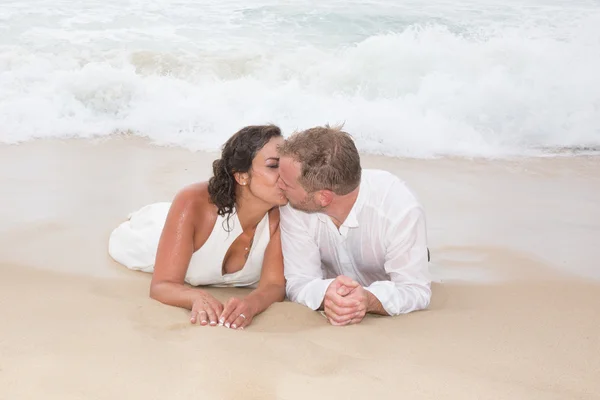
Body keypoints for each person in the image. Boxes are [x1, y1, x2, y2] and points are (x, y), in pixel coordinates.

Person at [108, 125, 288, 329]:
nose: (286, 174)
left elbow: (274, 286)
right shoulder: (193, 202)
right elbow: (162, 286)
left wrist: (250, 305)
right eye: (273, 166)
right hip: (154, 237)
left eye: (288, 165)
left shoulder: (285, 214)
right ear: (242, 176)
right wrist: (195, 297)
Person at [276, 125, 432, 326]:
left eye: (286, 183)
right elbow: (299, 280)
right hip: (334, 281)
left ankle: (418, 254)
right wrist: (326, 294)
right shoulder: (294, 205)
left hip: (387, 275)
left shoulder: (399, 209)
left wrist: (368, 299)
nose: (278, 184)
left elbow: (415, 289)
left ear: (324, 197)